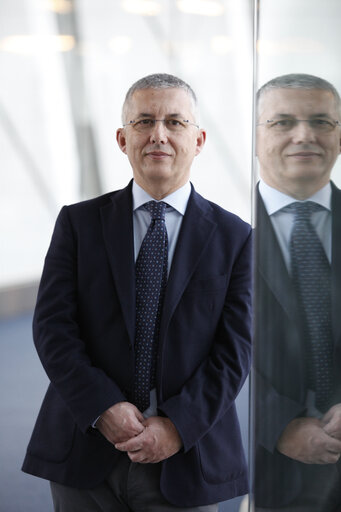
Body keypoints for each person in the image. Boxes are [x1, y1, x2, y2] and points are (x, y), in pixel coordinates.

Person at [22, 73, 252, 511]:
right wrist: (102, 406)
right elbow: (52, 328)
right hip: (84, 448)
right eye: (144, 121)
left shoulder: (236, 237)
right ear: (122, 138)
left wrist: (177, 426)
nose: (158, 135)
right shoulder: (78, 224)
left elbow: (235, 351)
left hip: (187, 457)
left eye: (175, 122)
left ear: (199, 139)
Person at [254, 73, 341, 511]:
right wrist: (278, 426)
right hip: (267, 461)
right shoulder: (215, 233)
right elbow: (193, 350)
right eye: (282, 121)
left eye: (322, 122)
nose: (304, 135)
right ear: (253, 137)